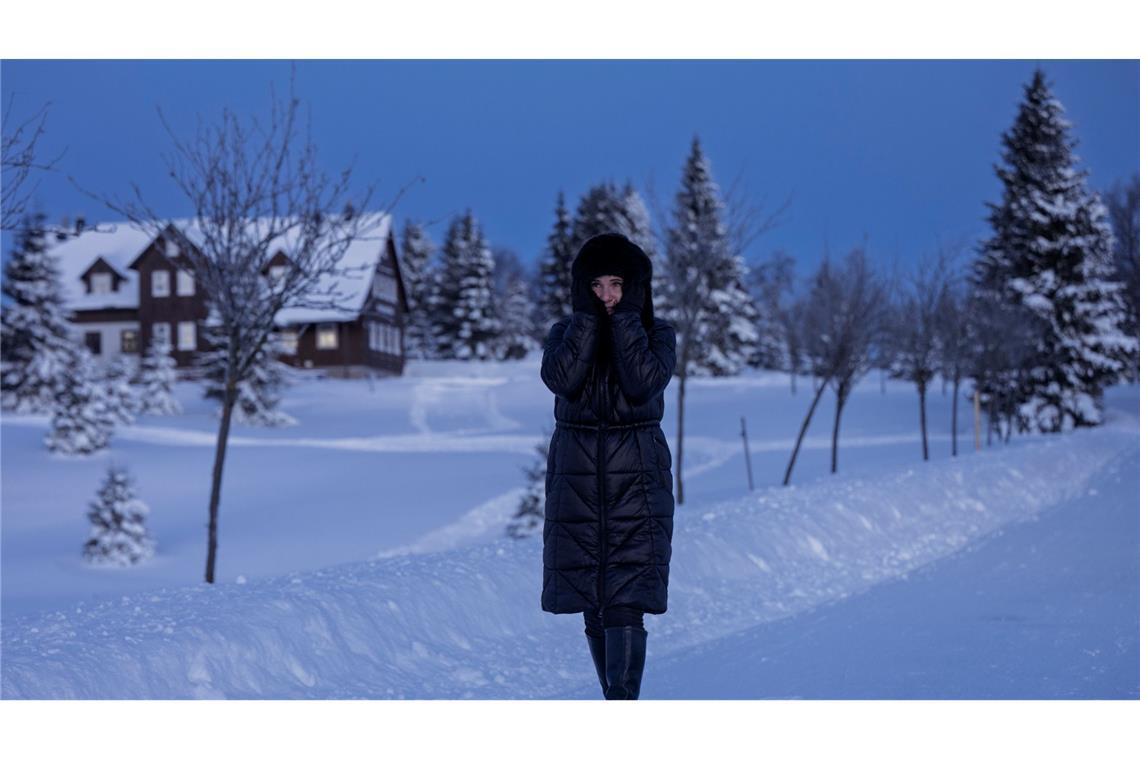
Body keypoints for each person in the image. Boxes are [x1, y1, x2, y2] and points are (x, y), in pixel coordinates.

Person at [539, 232, 677, 699]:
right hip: (576, 480)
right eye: (595, 285)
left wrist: (625, 322)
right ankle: (612, 699)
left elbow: (642, 383)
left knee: (625, 599)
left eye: (616, 284)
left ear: (634, 287)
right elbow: (561, 379)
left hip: (636, 478)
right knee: (592, 602)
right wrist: (586, 322)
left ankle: (622, 701)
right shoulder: (565, 332)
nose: (606, 295)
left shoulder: (657, 334)